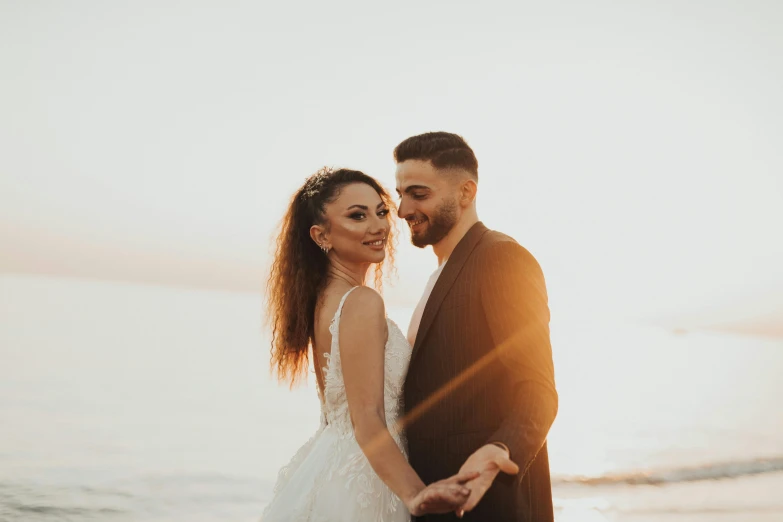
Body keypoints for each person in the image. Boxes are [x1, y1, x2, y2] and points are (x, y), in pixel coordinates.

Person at [261, 167, 478, 521]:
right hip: (364, 480)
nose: (378, 225)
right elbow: (367, 419)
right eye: (357, 215)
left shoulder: (323, 300)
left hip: (333, 465)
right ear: (321, 235)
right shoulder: (360, 301)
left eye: (381, 212)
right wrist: (418, 494)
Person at [395, 132, 559, 521]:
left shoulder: (502, 258)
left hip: (492, 505)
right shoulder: (439, 274)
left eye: (418, 194)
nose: (403, 209)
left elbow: (538, 388)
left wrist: (501, 450)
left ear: (466, 193)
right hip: (440, 499)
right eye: (400, 194)